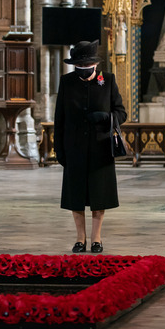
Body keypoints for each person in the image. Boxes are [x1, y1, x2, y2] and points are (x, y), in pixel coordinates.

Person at [54, 40, 126, 254]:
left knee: (98, 194)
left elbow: (121, 112)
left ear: (95, 64)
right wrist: (59, 148)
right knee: (75, 194)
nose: (84, 72)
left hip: (100, 148)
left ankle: (96, 238)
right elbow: (60, 118)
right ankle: (79, 238)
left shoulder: (109, 80)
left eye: (87, 68)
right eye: (80, 68)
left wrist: (107, 117)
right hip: (74, 147)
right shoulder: (66, 82)